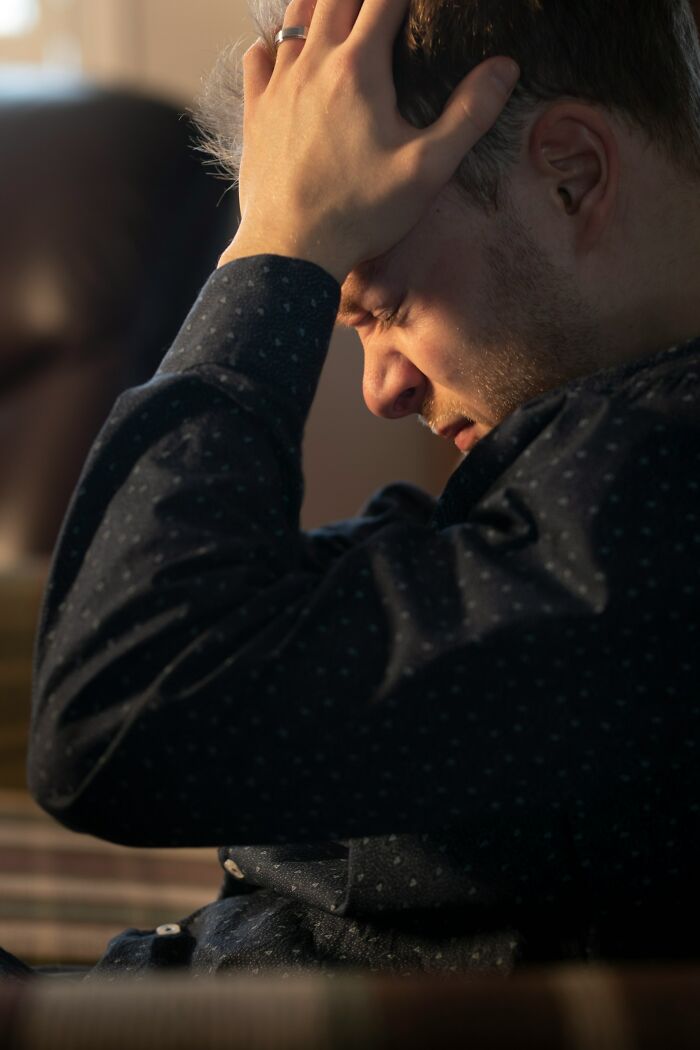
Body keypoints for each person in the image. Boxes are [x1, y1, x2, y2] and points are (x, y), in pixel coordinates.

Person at [4, 0, 699, 979]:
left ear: (572, 177)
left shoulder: (655, 508)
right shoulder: (595, 471)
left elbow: (115, 713)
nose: (382, 390)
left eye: (387, 306)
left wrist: (280, 248)